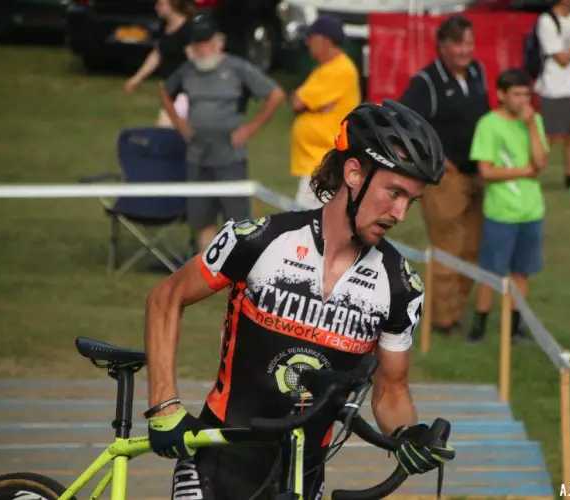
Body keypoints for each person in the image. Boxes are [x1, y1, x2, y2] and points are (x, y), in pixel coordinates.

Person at [142, 99, 455, 499]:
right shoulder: (258, 239)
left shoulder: (400, 286)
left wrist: (408, 435)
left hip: (303, 473)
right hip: (219, 460)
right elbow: (165, 298)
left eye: (410, 200)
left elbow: (391, 393)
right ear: (354, 172)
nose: (400, 213)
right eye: (394, 192)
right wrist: (165, 406)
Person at [161, 13, 286, 253]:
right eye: (197, 44)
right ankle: (207, 270)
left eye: (206, 42)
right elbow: (165, 92)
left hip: (230, 158)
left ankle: (239, 269)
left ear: (219, 41)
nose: (202, 48)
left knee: (238, 221)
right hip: (198, 156)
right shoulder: (187, 71)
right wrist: (180, 124)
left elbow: (276, 94)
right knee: (202, 219)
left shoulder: (238, 69)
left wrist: (252, 127)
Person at [398, 15, 490, 335]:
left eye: (469, 43)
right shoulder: (427, 82)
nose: (466, 50)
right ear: (443, 45)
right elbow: (404, 121)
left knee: (472, 248)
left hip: (479, 174)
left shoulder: (478, 72)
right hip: (445, 179)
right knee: (449, 247)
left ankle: (456, 310)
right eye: (458, 43)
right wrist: (434, 157)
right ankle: (442, 321)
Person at [467, 68, 549, 345]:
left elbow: (541, 163)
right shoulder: (488, 124)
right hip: (501, 213)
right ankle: (478, 328)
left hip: (531, 211)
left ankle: (516, 328)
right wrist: (524, 172)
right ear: (501, 95)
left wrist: (532, 128)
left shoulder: (534, 121)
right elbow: (486, 172)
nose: (523, 100)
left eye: (526, 94)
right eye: (516, 94)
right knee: (491, 273)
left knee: (522, 273)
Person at [289, 14, 361, 210]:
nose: (307, 42)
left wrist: (306, 103)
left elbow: (297, 101)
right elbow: (299, 101)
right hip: (316, 161)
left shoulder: (340, 70)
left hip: (324, 162)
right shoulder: (324, 69)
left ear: (325, 41)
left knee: (305, 226)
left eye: (311, 38)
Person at [534, 0, 570, 194]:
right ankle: (529, 173)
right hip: (553, 87)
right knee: (548, 137)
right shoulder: (547, 21)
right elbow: (562, 59)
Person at [124, 0, 195, 127]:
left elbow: (194, 62)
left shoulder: (188, 30)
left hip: (186, 92)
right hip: (171, 91)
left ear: (173, 5)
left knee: (166, 129)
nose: (156, 7)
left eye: (161, 4)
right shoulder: (164, 27)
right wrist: (137, 78)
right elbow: (157, 54)